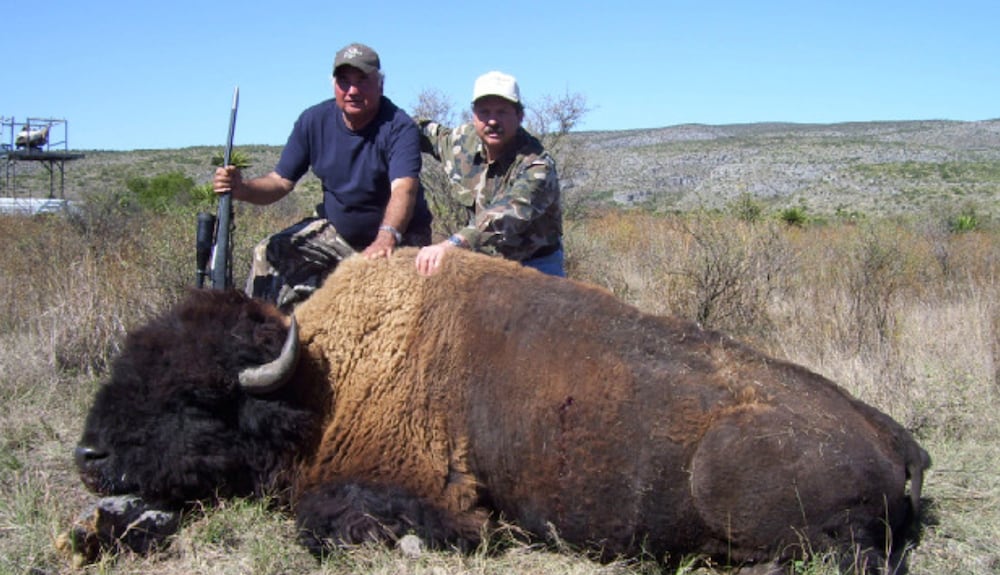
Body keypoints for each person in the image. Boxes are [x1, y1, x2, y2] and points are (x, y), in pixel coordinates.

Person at [214, 42, 433, 309]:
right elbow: (280, 182)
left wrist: (386, 238)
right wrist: (243, 188)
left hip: (399, 237)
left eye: (362, 81)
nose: (352, 90)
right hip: (337, 234)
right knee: (268, 252)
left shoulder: (399, 126)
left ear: (380, 84)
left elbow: (404, 189)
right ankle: (262, 335)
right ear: (333, 84)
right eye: (344, 81)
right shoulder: (313, 120)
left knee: (402, 308)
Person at [413, 71, 563, 277]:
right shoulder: (459, 142)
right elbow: (411, 129)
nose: (492, 121)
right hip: (482, 260)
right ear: (473, 115)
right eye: (484, 112)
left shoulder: (537, 165)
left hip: (535, 265)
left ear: (520, 116)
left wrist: (451, 245)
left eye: (502, 112)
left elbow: (507, 213)